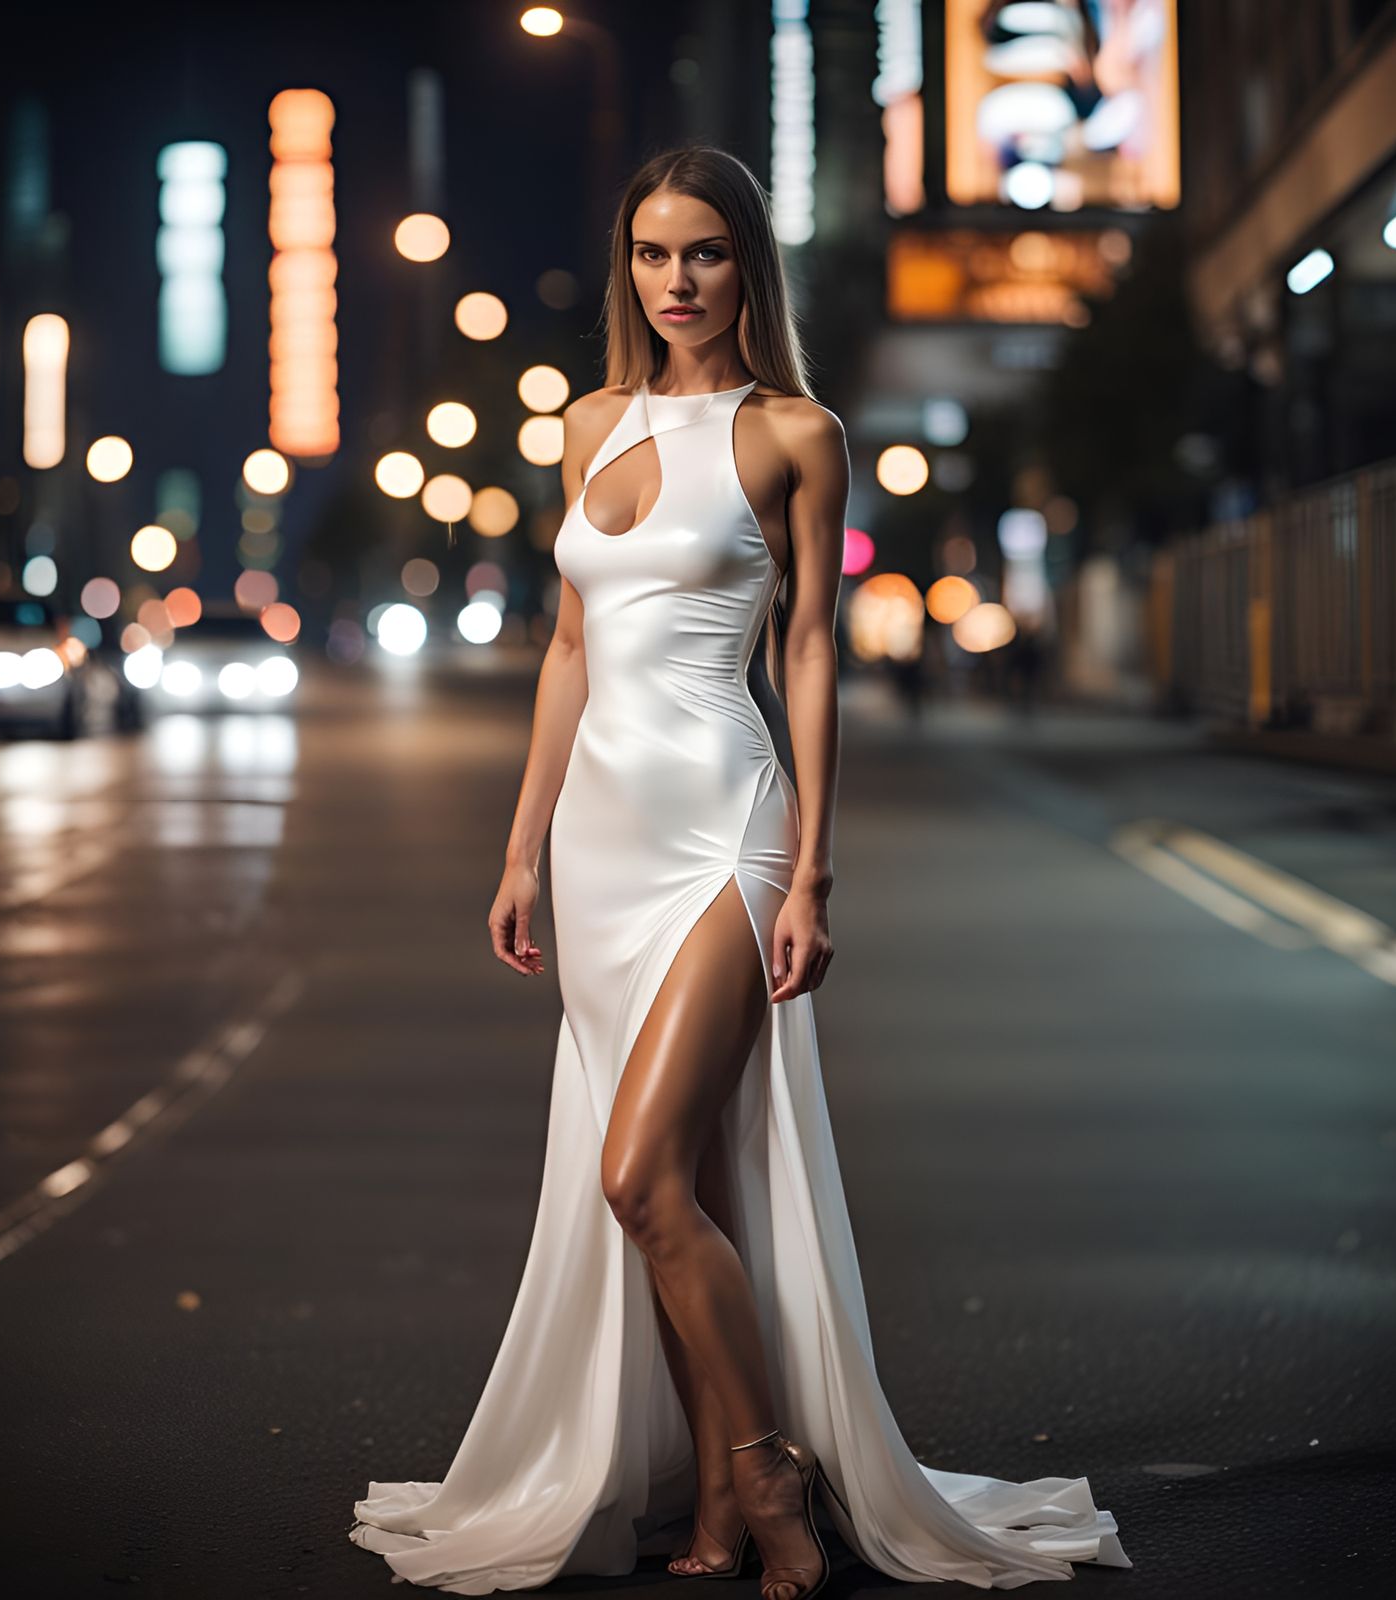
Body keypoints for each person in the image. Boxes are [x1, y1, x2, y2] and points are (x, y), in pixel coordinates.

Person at [349, 146, 1130, 1596]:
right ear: (629, 269)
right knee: (689, 1183)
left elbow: (814, 649)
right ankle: (709, 1509)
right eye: (652, 254)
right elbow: (570, 650)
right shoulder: (585, 424)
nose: (677, 281)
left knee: (640, 1175)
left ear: (746, 267)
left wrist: (815, 870)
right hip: (597, 840)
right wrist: (520, 849)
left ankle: (771, 1482)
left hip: (727, 829)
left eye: (704, 253)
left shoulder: (795, 433)